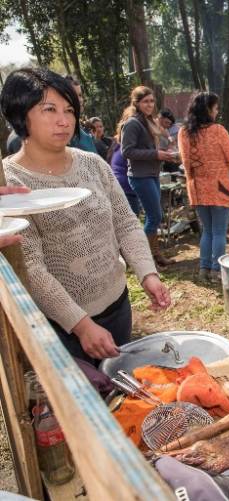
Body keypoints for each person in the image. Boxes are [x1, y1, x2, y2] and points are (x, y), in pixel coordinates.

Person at [0, 67, 171, 365]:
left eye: (69, 110)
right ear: (20, 113)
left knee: (122, 395)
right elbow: (31, 268)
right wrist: (81, 325)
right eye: (49, 110)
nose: (64, 121)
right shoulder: (10, 183)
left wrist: (148, 273)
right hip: (62, 327)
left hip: (118, 305)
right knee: (89, 401)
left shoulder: (92, 164)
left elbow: (126, 223)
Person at [177, 92, 229, 282]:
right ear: (208, 109)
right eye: (215, 107)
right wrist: (220, 170)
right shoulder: (218, 130)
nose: (217, 111)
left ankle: (204, 269)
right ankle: (216, 271)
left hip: (196, 187)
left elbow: (186, 163)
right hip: (221, 186)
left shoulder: (184, 132)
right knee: (220, 232)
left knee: (208, 231)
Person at [117, 85, 177, 267]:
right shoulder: (133, 123)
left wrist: (164, 153)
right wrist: (156, 155)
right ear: (137, 103)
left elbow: (147, 149)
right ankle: (144, 258)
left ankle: (155, 256)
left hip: (151, 174)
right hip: (139, 176)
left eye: (152, 101)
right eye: (146, 101)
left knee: (154, 216)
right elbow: (127, 151)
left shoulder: (148, 121)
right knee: (154, 216)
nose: (150, 104)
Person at [63, 75, 97, 153]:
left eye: (80, 95)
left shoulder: (78, 127)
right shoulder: (64, 129)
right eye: (75, 95)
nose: (80, 100)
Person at [158, 109, 181, 173]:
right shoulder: (154, 127)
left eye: (169, 124)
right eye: (166, 122)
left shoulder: (170, 130)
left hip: (168, 160)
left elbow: (171, 143)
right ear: (160, 118)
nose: (167, 125)